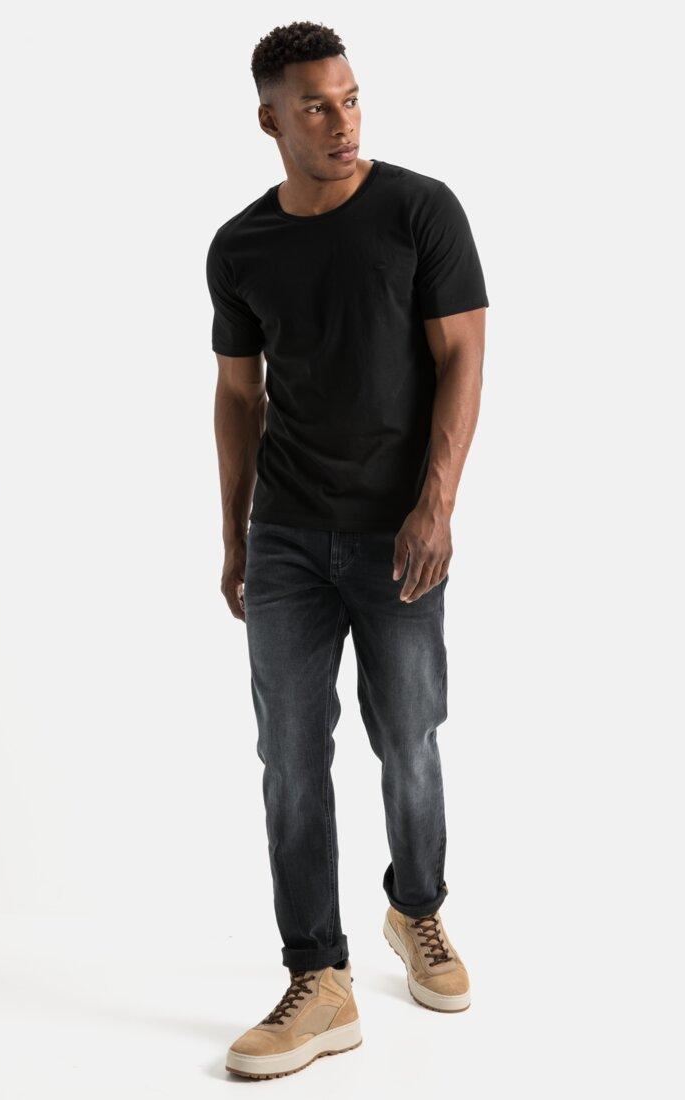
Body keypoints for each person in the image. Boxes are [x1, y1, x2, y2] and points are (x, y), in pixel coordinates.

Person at [206, 20, 488, 1080]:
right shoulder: (240, 246)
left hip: (397, 532)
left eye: (352, 96)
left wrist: (436, 505)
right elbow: (238, 395)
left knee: (409, 736)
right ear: (270, 118)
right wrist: (234, 530)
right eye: (317, 104)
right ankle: (318, 976)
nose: (343, 119)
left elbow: (463, 356)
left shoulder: (420, 210)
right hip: (285, 536)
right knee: (289, 756)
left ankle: (416, 908)